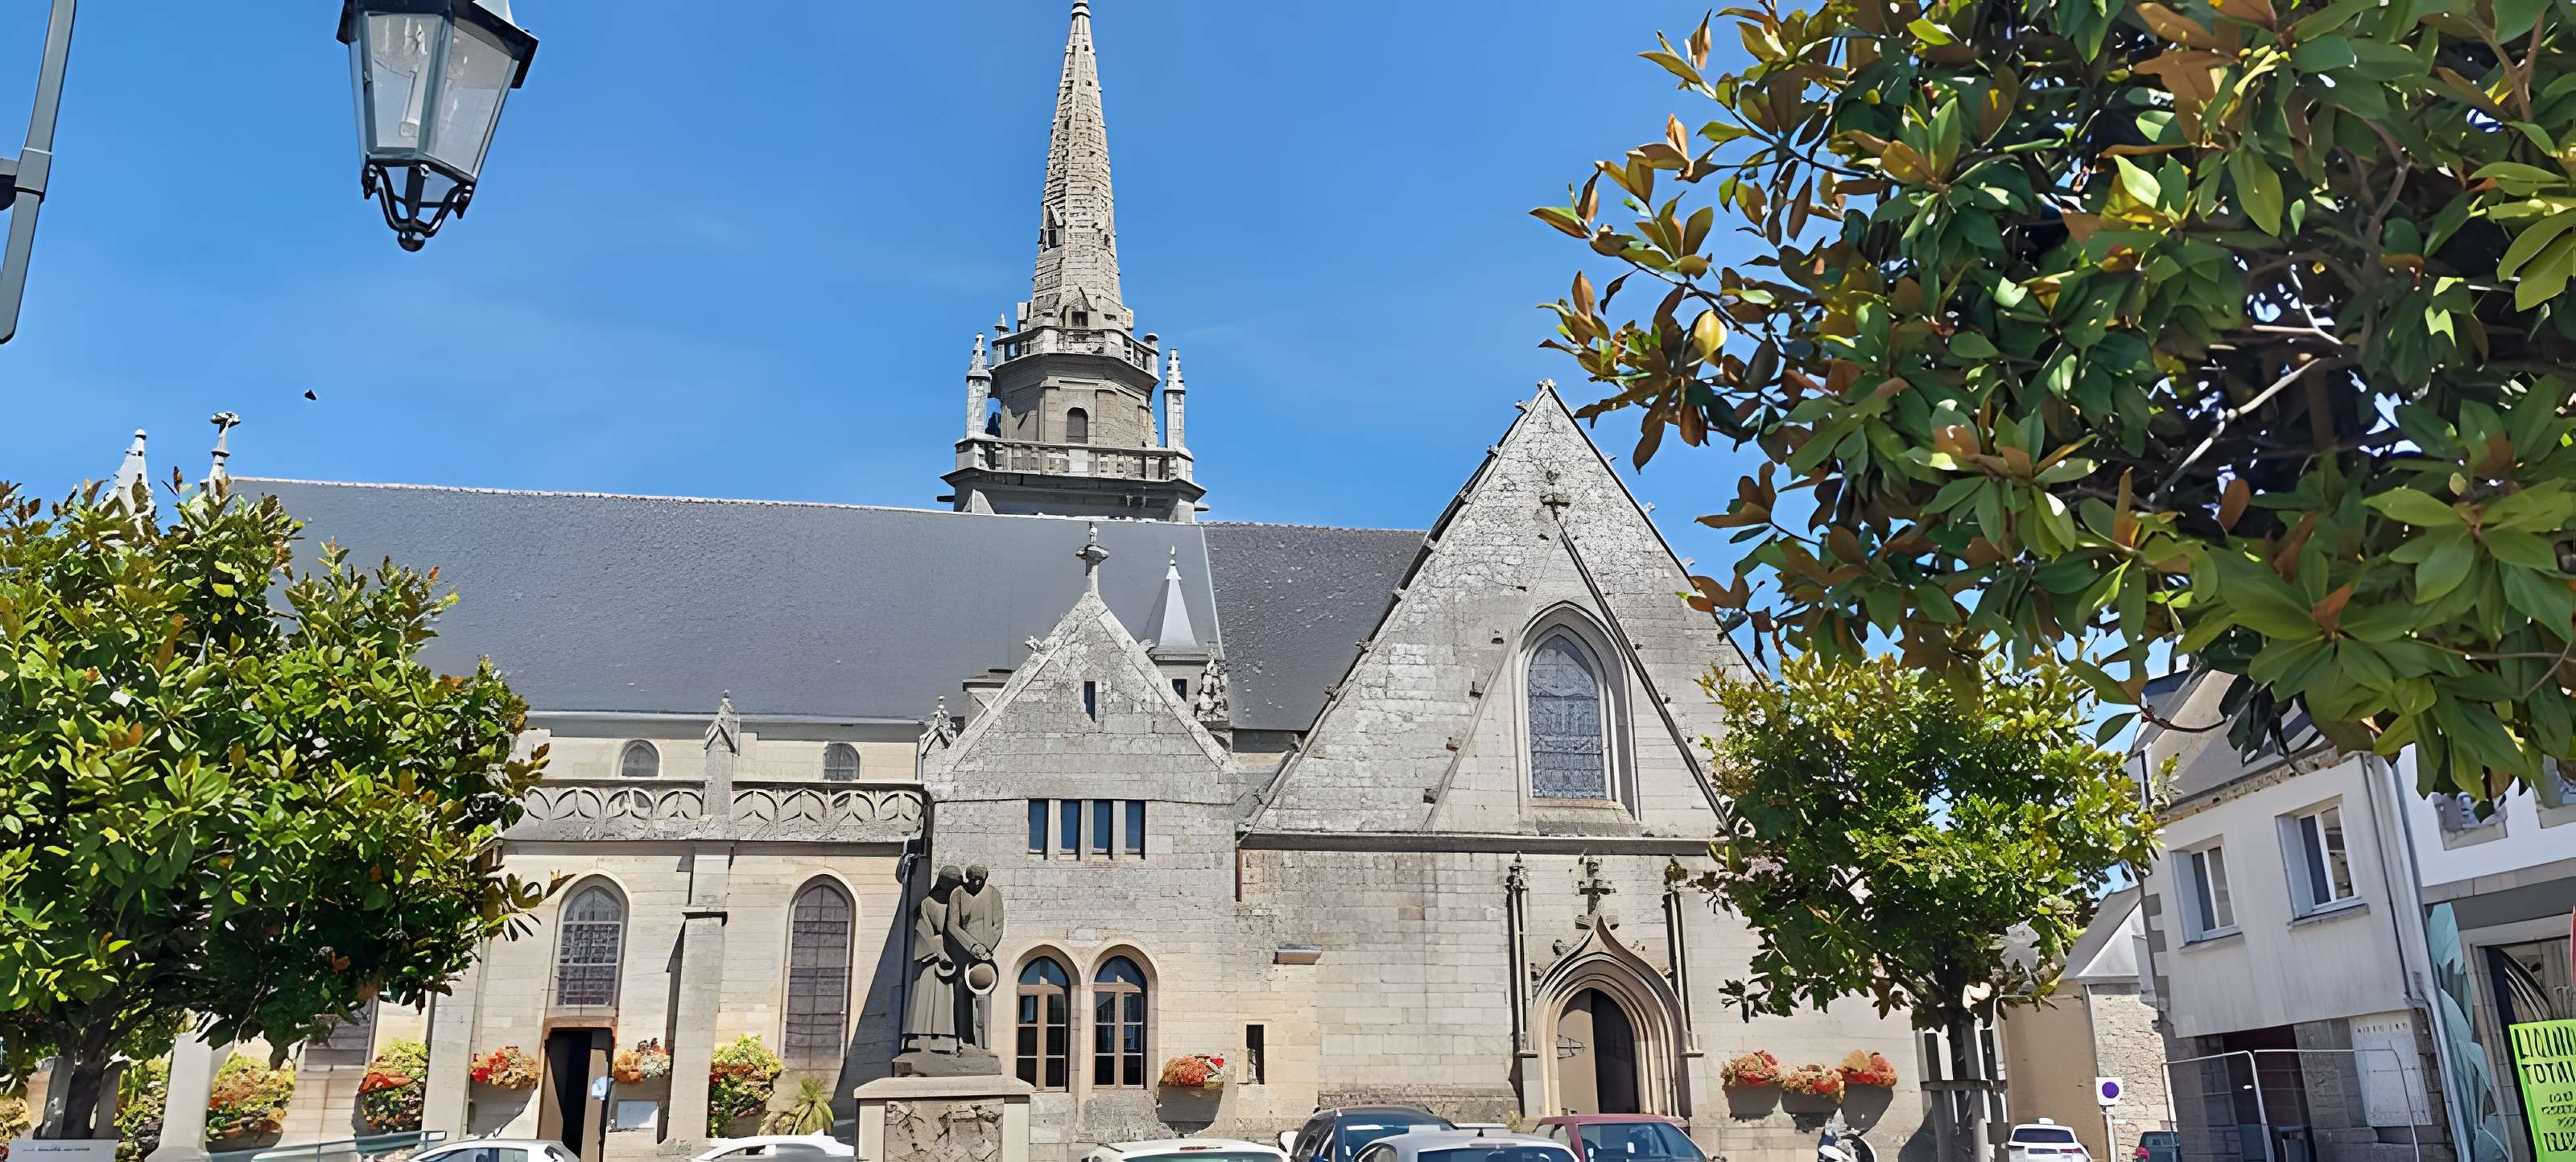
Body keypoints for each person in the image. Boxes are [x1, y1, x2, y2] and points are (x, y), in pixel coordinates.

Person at [901, 865, 964, 1053]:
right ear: (944, 883)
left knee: (952, 1001)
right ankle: (922, 1041)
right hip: (932, 961)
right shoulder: (928, 904)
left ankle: (950, 1039)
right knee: (926, 999)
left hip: (955, 959)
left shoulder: (958, 905)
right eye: (952, 885)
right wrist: (939, 952)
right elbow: (922, 931)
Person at [945, 863, 1005, 1050]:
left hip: (986, 955)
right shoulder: (958, 894)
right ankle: (964, 1041)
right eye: (972, 880)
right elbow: (952, 925)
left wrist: (986, 947)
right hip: (964, 952)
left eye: (980, 880)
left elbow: (999, 925)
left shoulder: (993, 894)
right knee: (962, 995)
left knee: (983, 996)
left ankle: (983, 1044)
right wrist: (973, 947)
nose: (976, 883)